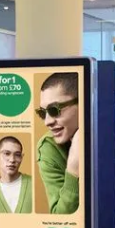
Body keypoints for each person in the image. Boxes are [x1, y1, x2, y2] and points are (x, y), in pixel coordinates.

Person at [36, 72, 81, 214]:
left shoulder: (106, 134)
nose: (47, 121)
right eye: (43, 113)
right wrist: (74, 169)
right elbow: (60, 217)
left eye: (54, 110)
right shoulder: (48, 147)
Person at [0, 136, 33, 214]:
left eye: (17, 155)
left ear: (21, 157)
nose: (12, 160)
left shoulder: (34, 184)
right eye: (7, 154)